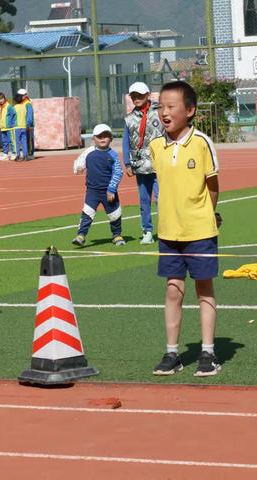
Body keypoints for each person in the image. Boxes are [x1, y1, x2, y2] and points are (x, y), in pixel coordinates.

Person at [150, 81, 221, 377]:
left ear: (190, 110)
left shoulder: (201, 143)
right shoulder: (156, 146)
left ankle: (208, 353)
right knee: (172, 291)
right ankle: (172, 354)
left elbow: (212, 186)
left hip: (200, 232)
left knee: (203, 290)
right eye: (160, 107)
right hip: (168, 233)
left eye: (171, 107)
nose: (164, 113)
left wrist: (208, 214)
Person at [123, 82, 164, 245]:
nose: (136, 98)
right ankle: (147, 231)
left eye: (139, 95)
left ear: (148, 95)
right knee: (144, 200)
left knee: (162, 198)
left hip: (160, 163)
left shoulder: (159, 112)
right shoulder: (129, 119)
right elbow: (126, 141)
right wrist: (127, 163)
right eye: (133, 96)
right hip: (140, 164)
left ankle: (166, 229)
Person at [71, 124, 125, 247]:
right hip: (92, 191)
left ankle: (117, 235)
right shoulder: (88, 152)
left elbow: (118, 172)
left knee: (115, 214)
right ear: (93, 139)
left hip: (108, 192)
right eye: (99, 136)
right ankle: (81, 235)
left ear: (111, 139)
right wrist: (78, 168)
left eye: (106, 136)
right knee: (87, 213)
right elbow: (79, 162)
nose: (102, 139)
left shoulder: (113, 155)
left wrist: (111, 189)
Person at [0, 92, 16, 161]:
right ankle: (5, 154)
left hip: (9, 127)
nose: (0, 100)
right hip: (2, 128)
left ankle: (14, 153)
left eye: (1, 99)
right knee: (4, 141)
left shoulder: (9, 106)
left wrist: (12, 123)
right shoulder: (0, 107)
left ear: (4, 98)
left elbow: (13, 114)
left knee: (11, 141)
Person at [17, 88, 35, 159]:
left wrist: (29, 123)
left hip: (28, 125)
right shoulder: (21, 103)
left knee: (29, 139)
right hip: (23, 124)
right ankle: (26, 153)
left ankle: (30, 153)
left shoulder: (27, 103)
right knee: (25, 139)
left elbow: (29, 115)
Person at [13, 93, 30, 161]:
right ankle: (25, 155)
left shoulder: (14, 108)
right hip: (24, 126)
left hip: (17, 126)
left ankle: (18, 155)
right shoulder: (24, 107)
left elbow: (12, 117)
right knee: (24, 141)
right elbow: (26, 116)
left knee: (17, 142)